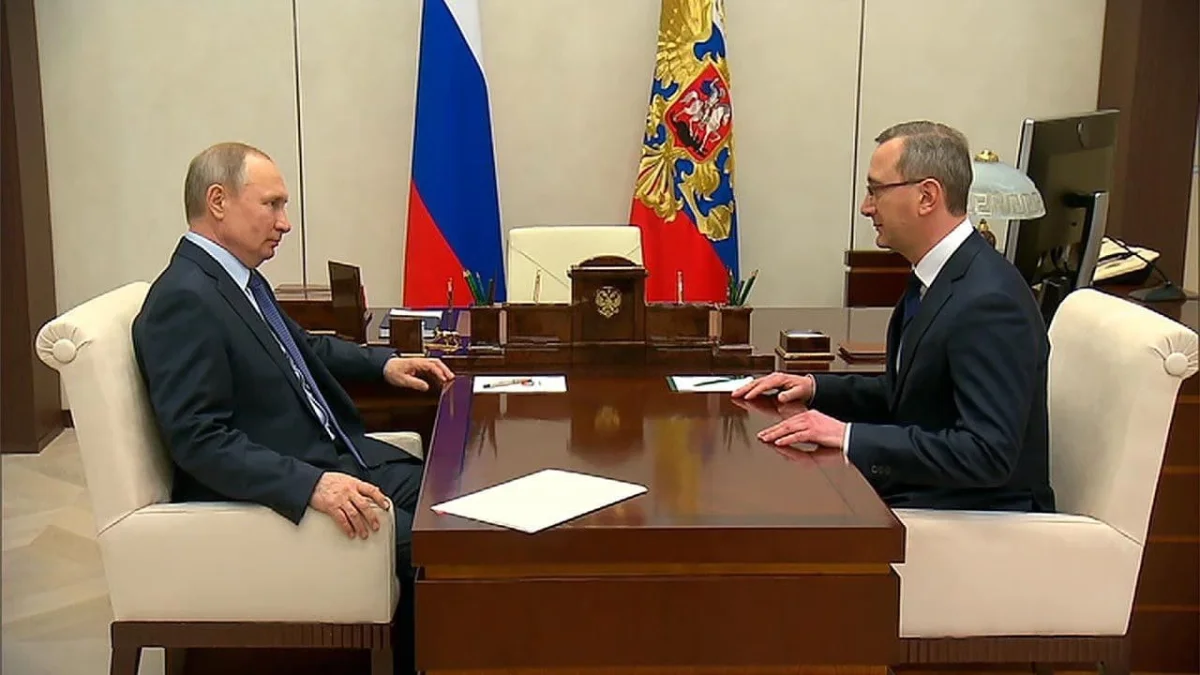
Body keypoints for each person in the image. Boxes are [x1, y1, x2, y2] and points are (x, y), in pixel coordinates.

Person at [131, 142, 449, 673]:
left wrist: (385, 364)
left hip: (334, 456)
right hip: (283, 486)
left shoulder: (238, 281)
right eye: (272, 204)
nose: (285, 223)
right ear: (218, 201)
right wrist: (311, 484)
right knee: (436, 548)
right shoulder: (184, 299)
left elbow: (306, 348)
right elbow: (198, 439)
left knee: (450, 503)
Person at [734, 121, 1055, 513]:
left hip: (975, 515)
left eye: (876, 191)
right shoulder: (940, 276)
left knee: (777, 510)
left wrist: (849, 436)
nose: (866, 207)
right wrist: (815, 388)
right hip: (932, 492)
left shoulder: (990, 301)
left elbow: (987, 453)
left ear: (927, 196)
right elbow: (912, 394)